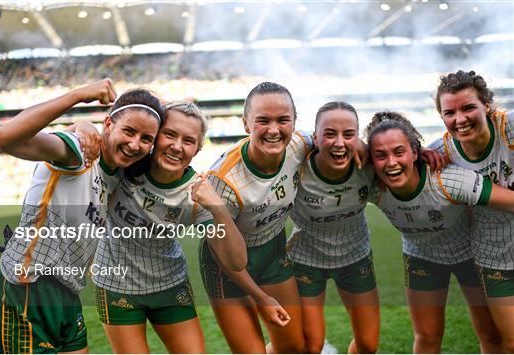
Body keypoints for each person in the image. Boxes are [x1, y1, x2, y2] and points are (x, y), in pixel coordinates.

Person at [0, 79, 164, 353]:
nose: (134, 144)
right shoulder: (78, 152)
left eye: (146, 139)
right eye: (128, 131)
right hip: (28, 287)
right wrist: (78, 96)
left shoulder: (118, 175)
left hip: (68, 293)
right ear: (108, 124)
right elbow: (4, 137)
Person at [91, 102, 247, 353]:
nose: (176, 146)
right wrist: (82, 125)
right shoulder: (125, 165)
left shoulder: (198, 193)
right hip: (116, 285)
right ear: (155, 137)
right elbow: (101, 136)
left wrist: (218, 208)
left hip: (170, 285)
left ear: (197, 149)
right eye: (170, 135)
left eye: (188, 140)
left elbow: (237, 261)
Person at [366, 111, 513, 353]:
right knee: (427, 337)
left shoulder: (450, 180)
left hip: (470, 257)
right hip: (421, 257)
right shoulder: (372, 186)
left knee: (490, 333)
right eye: (380, 156)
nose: (391, 163)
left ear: (415, 152)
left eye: (399, 152)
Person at [198, 82, 320, 353]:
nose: (274, 130)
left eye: (283, 120)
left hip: (271, 252)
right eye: (263, 120)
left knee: (293, 347)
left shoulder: (300, 144)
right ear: (245, 123)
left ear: (294, 121)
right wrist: (261, 297)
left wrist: (358, 145)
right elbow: (222, 251)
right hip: (225, 265)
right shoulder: (223, 180)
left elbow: (334, 139)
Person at [429, 70, 514, 353]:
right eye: (449, 112)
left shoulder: (509, 128)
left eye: (468, 108)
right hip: (495, 257)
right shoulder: (441, 153)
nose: (460, 119)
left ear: (486, 105)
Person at [288, 101, 380, 353]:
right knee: (310, 345)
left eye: (348, 134)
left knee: (368, 344)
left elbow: (405, 156)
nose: (339, 142)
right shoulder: (296, 166)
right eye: (330, 134)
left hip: (355, 256)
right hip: (306, 258)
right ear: (315, 138)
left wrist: (424, 153)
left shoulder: (369, 166)